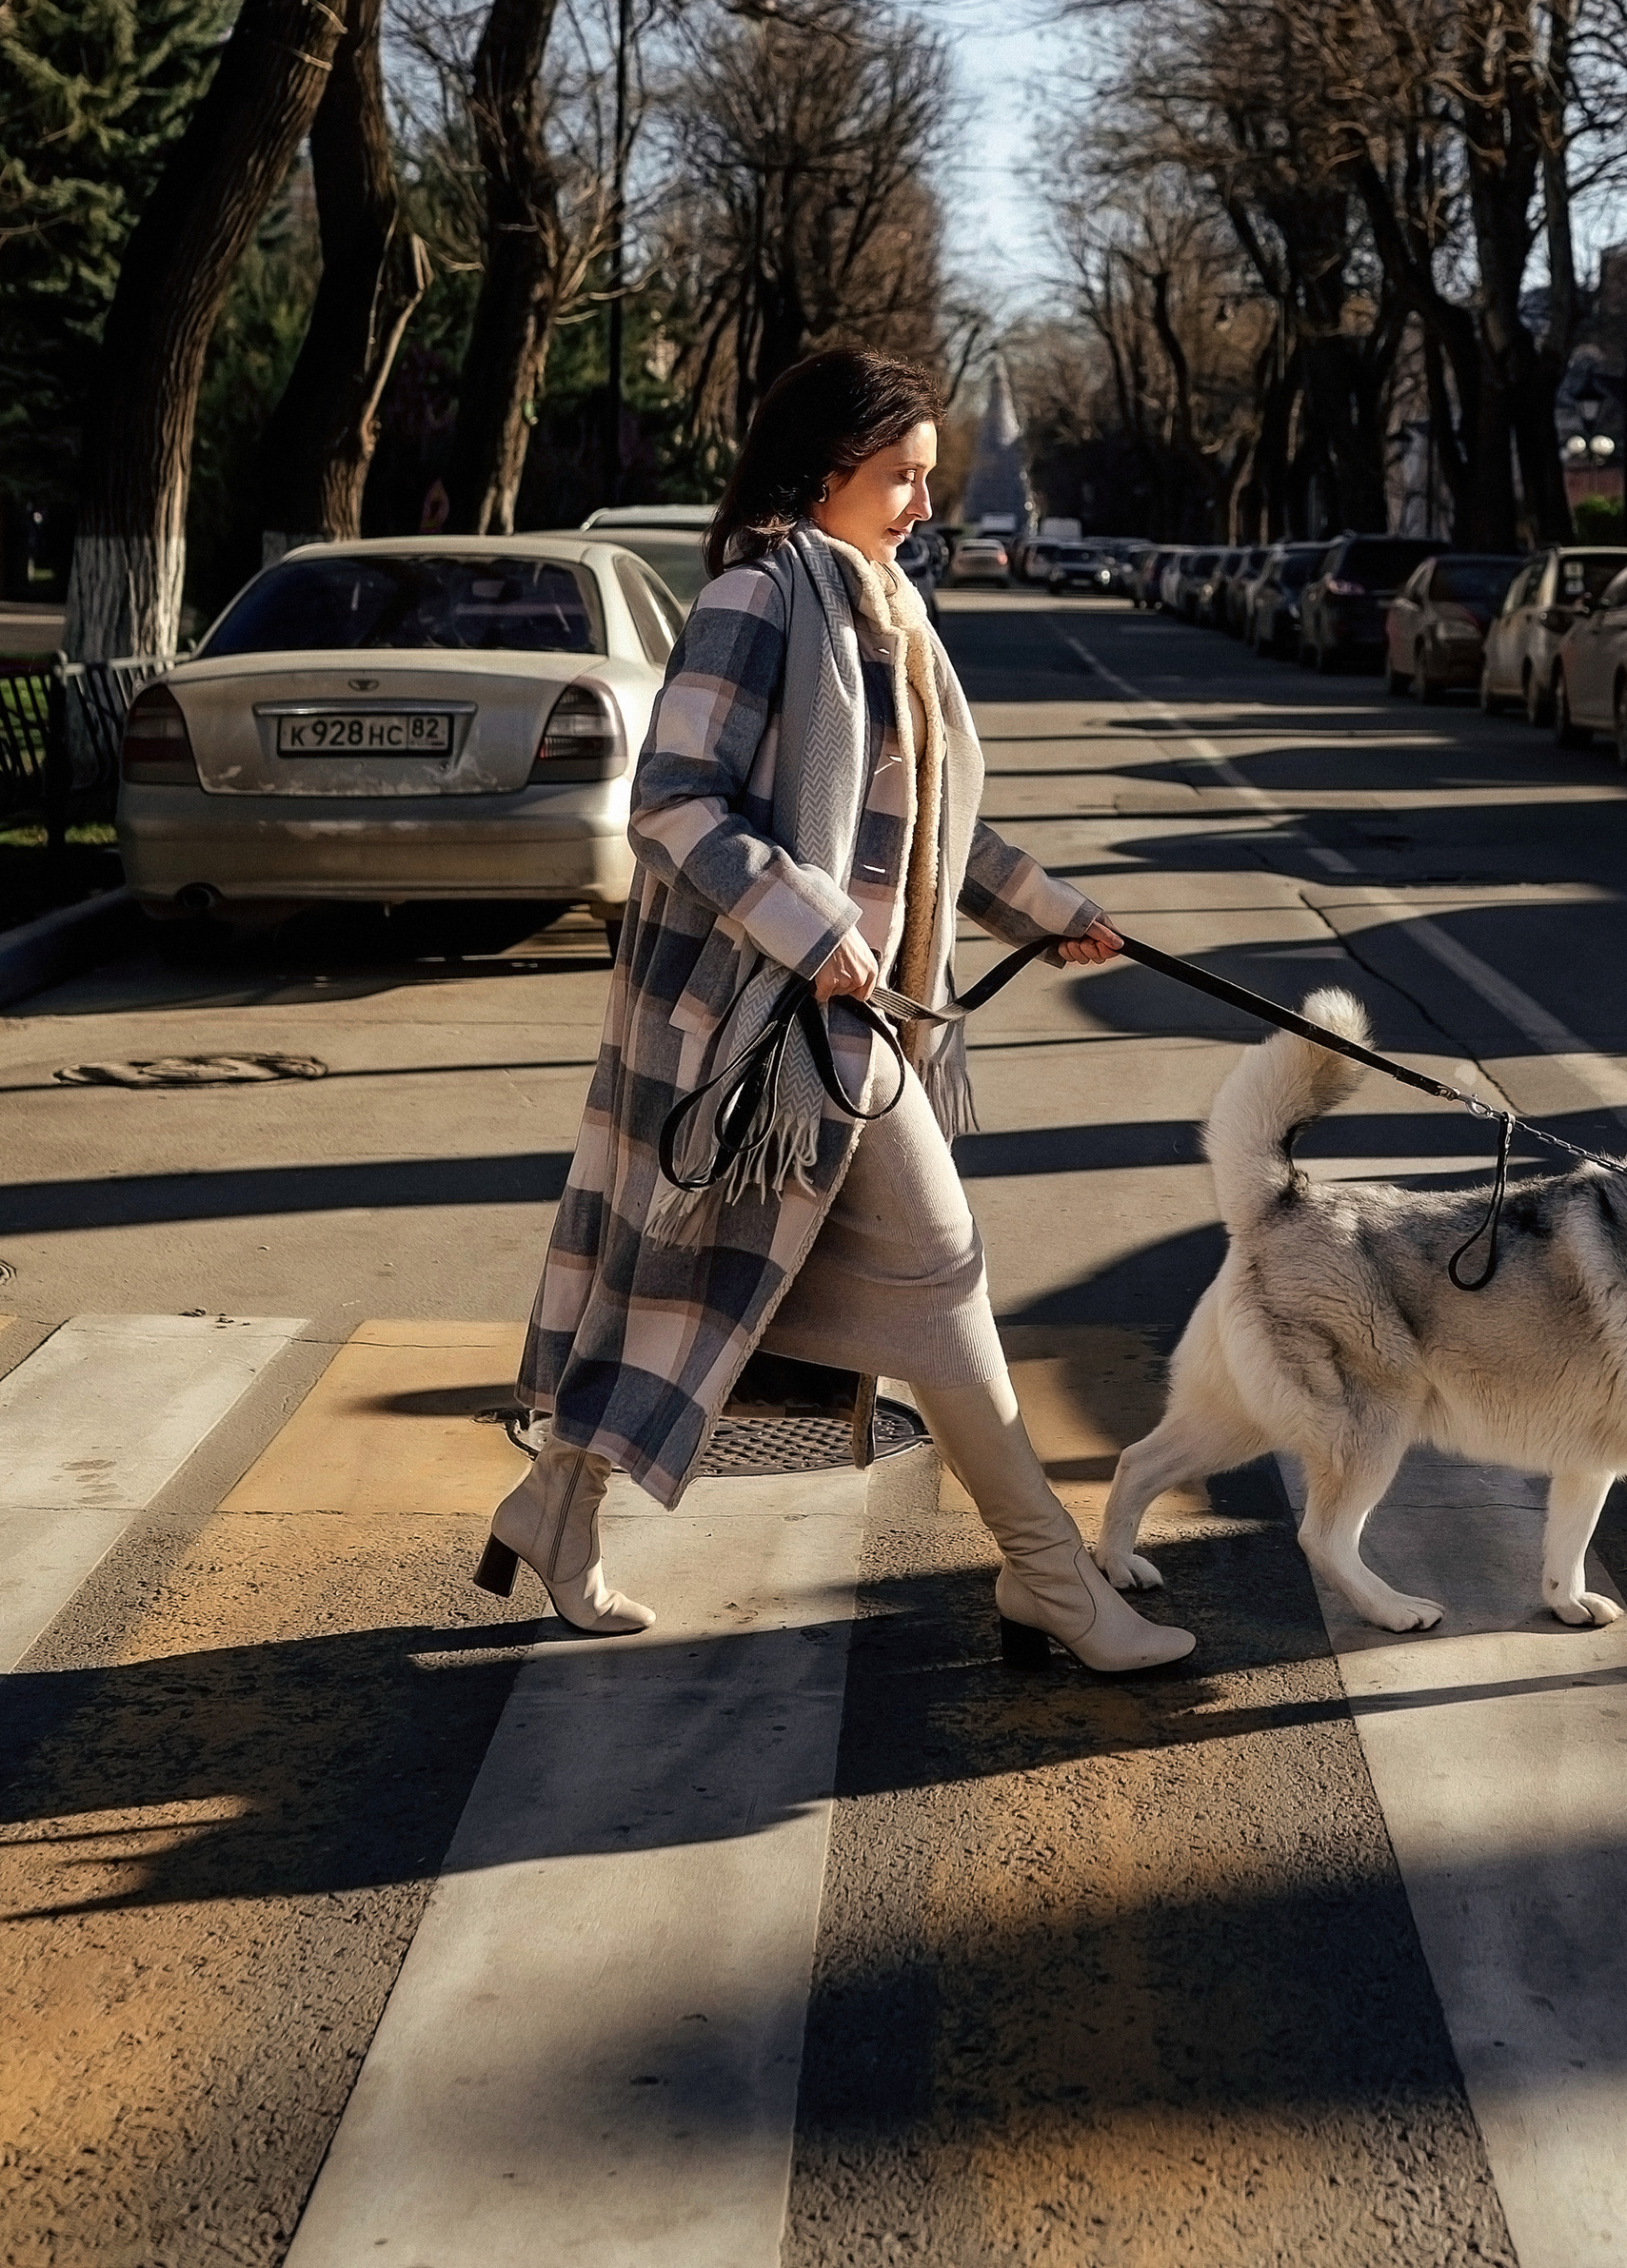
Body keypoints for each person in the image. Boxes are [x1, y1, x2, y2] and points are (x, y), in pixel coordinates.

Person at [487, 344, 1193, 1675]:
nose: (921, 503)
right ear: (823, 473)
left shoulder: (883, 609)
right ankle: (1051, 1578)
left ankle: (555, 1507)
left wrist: (1048, 911)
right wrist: (812, 929)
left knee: (677, 1277)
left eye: (927, 476)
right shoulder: (761, 595)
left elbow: (930, 827)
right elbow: (675, 802)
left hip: (845, 1021)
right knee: (943, 1278)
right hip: (768, 1024)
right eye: (899, 476)